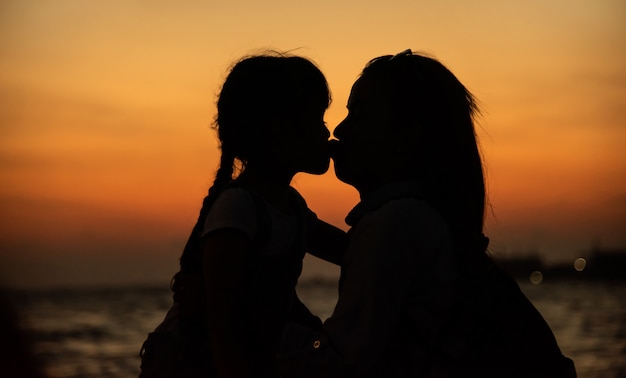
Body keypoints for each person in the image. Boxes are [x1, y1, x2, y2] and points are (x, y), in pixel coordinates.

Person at [278, 50, 576, 377]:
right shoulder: (422, 218)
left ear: (407, 137)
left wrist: (259, 325)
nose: (340, 129)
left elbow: (341, 364)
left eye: (360, 116)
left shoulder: (394, 224)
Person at [142, 52, 346, 378]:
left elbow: (350, 253)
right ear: (280, 129)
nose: (327, 133)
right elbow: (222, 319)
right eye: (317, 120)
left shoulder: (291, 208)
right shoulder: (239, 208)